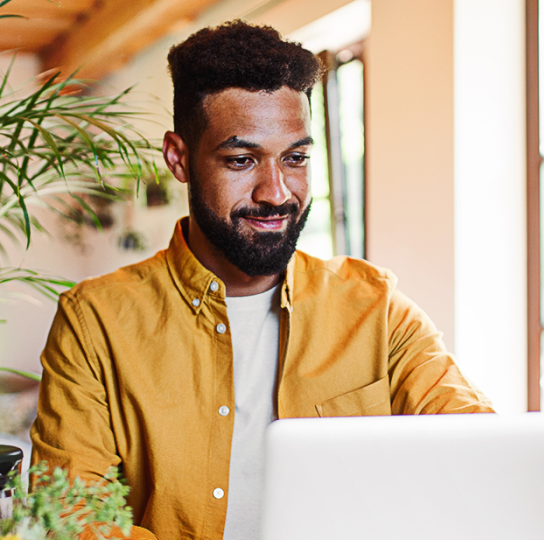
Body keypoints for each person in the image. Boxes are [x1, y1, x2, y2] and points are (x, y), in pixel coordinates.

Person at [31, 20, 493, 540]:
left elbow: (479, 453)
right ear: (179, 158)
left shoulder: (378, 308)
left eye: (295, 158)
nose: (276, 192)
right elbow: (70, 517)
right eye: (241, 159)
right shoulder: (95, 322)